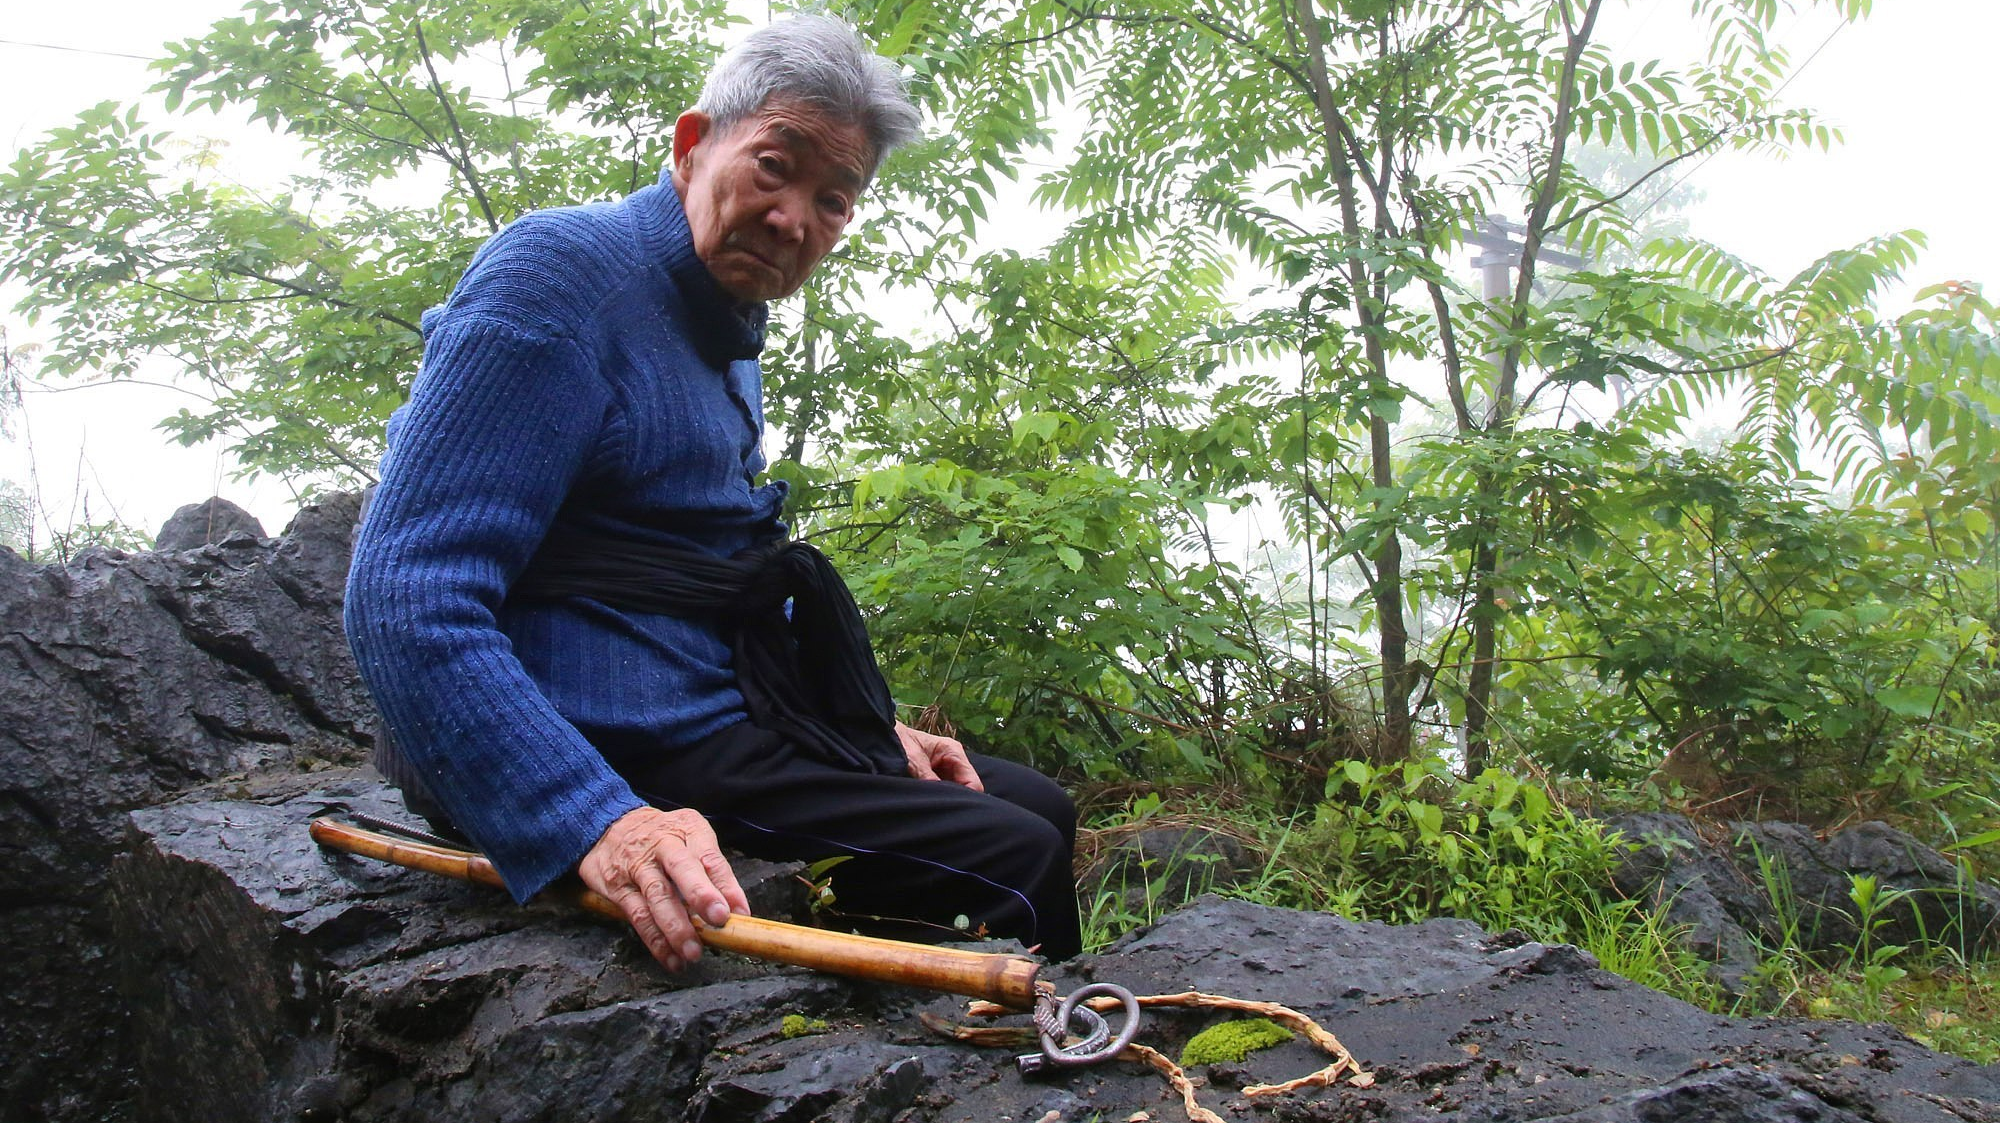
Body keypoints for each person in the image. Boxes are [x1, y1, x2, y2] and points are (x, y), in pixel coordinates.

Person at [343, 15, 1081, 971]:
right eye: (775, 166)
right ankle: (1049, 1058)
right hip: (595, 731)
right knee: (1010, 857)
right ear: (693, 145)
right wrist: (594, 818)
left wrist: (856, 727)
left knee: (1039, 807)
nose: (793, 220)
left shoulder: (721, 316)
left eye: (834, 198)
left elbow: (705, 562)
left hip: (701, 701)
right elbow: (405, 590)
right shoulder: (557, 283)